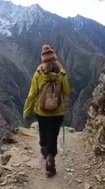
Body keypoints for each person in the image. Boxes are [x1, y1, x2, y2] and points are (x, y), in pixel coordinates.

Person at [23, 44, 71, 177]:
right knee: (53, 135)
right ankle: (51, 160)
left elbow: (32, 94)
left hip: (41, 111)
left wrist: (27, 111)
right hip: (58, 112)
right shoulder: (61, 72)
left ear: (43, 58)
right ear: (54, 57)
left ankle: (44, 147)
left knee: (43, 132)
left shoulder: (38, 73)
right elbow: (67, 91)